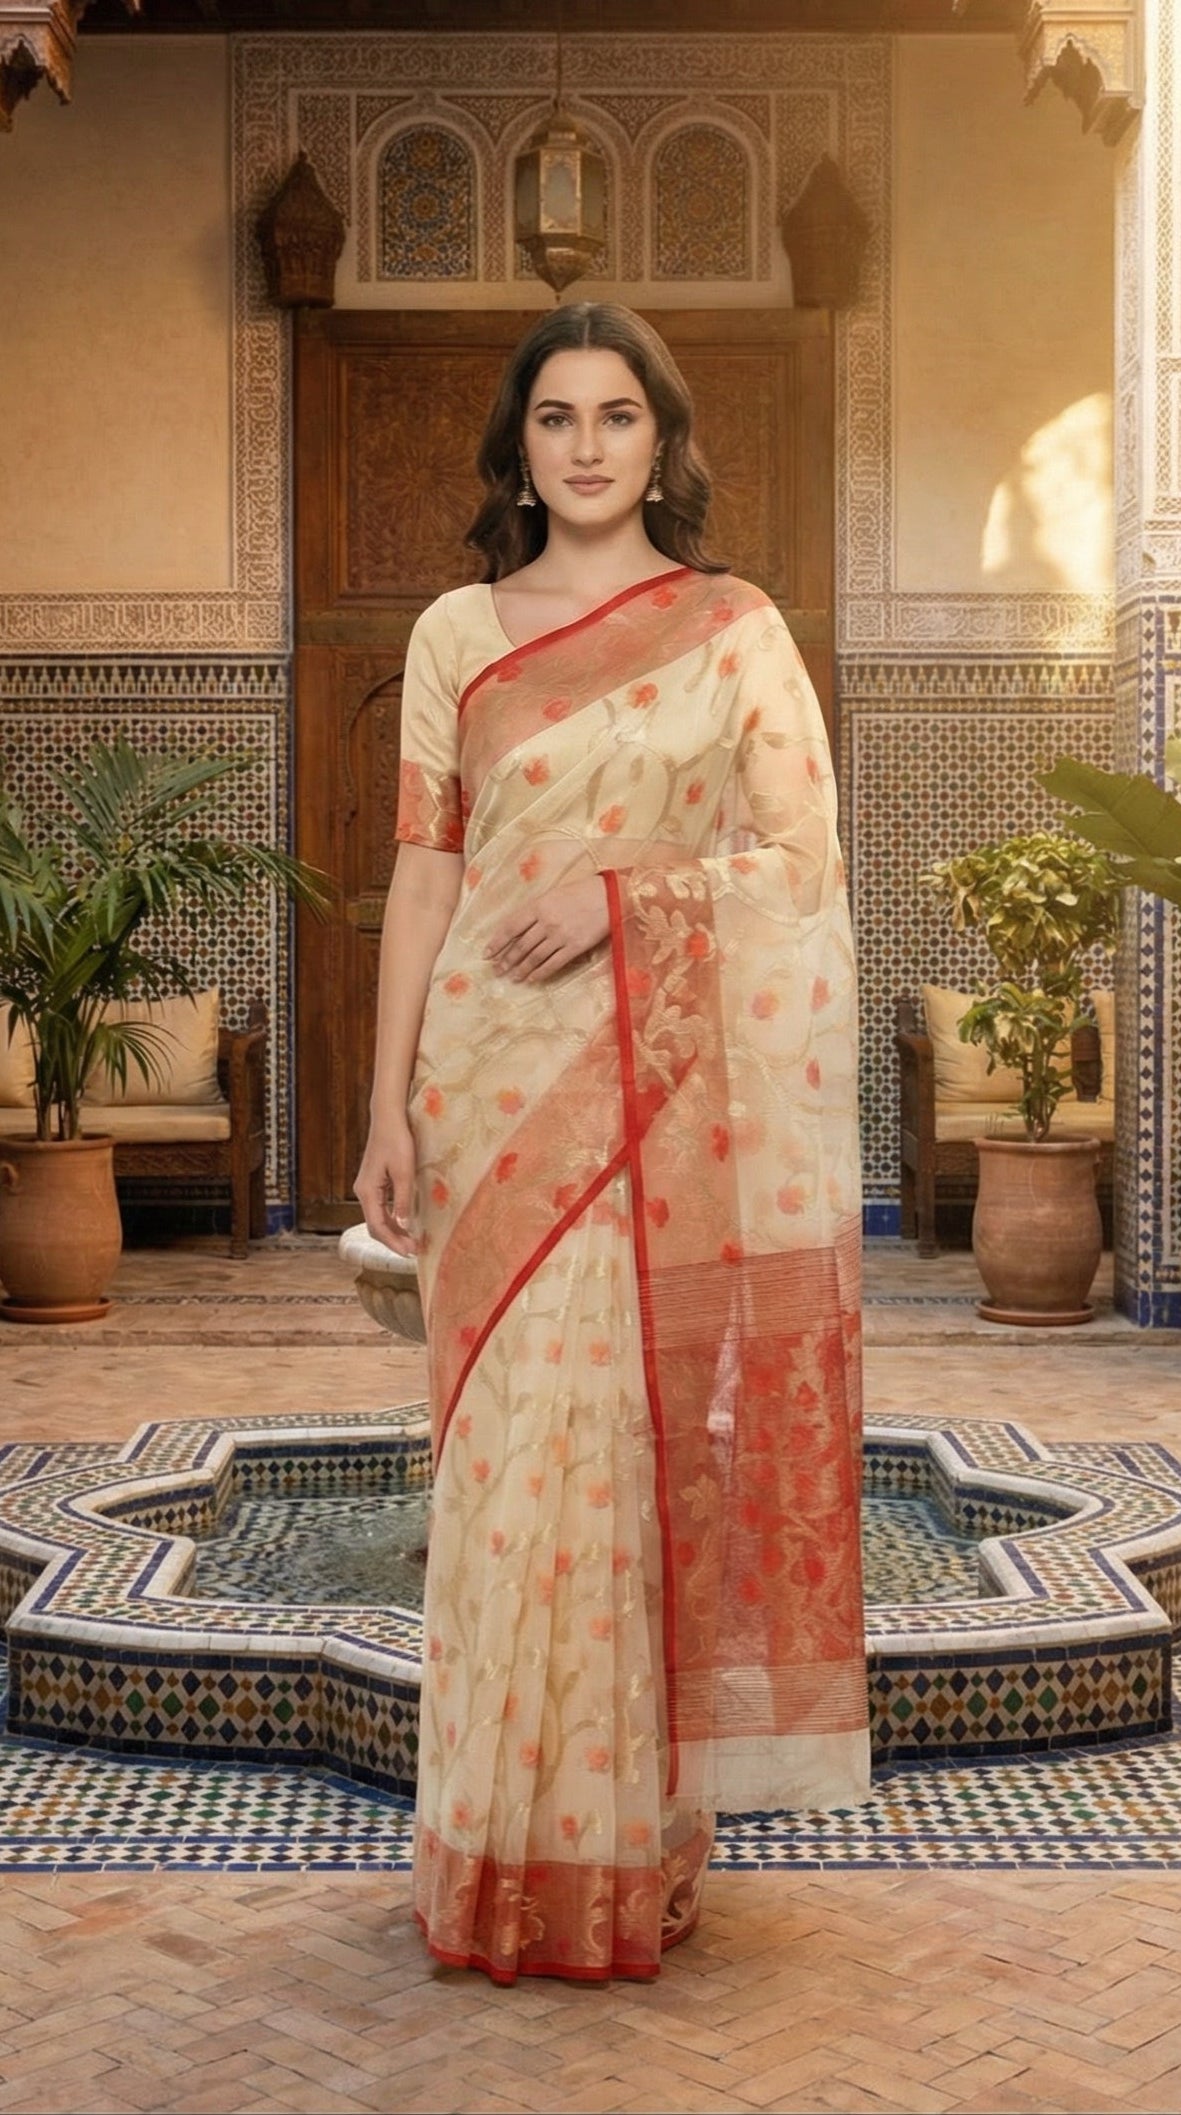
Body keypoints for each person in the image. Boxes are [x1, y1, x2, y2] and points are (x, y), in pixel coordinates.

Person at [355, 301, 868, 1986]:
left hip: (649, 1093)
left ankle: (611, 1856)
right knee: (503, 1466)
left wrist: (624, 898)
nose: (585, 446)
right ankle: (491, 1859)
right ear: (518, 449)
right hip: (483, 1088)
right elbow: (422, 873)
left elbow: (798, 863)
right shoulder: (455, 631)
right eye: (555, 417)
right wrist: (383, 1107)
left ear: (661, 442)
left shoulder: (730, 627)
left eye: (616, 416)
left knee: (622, 1453)